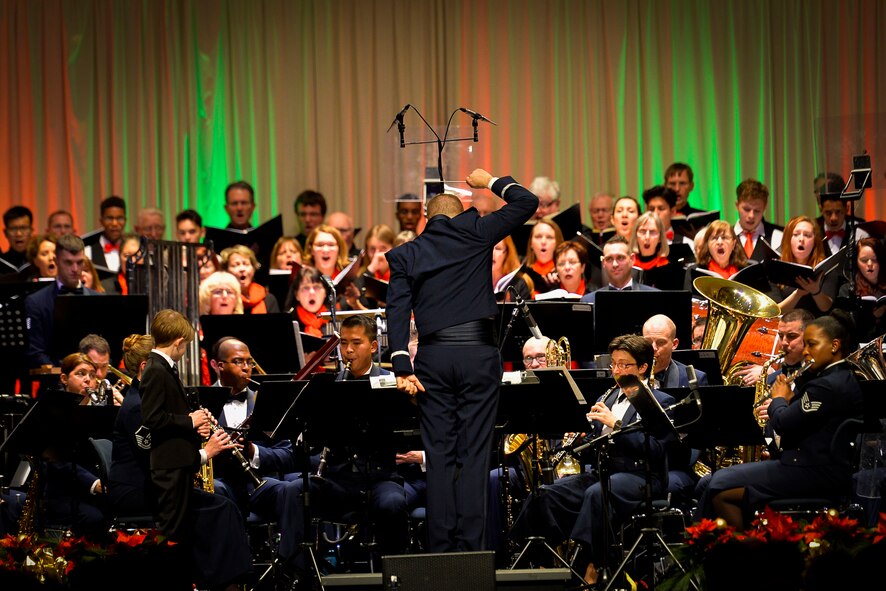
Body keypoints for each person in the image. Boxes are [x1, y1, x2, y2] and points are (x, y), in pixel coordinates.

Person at [386, 168, 537, 552]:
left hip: (433, 359)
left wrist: (402, 365)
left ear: (427, 216)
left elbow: (397, 311)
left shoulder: (406, 254)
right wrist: (490, 181)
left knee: (440, 456)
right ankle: (472, 550)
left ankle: (441, 551)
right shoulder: (477, 232)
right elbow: (527, 202)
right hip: (477, 356)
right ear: (459, 215)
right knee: (473, 454)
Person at [511, 334, 675, 585]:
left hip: (642, 476)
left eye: (624, 365)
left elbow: (656, 449)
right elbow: (592, 447)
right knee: (544, 494)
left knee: (596, 494)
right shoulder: (606, 397)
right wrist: (578, 441)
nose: (616, 371)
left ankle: (592, 567)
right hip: (604, 472)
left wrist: (616, 425)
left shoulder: (660, 401)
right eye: (614, 364)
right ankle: (543, 564)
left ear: (643, 367)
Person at [112, 331, 253, 589]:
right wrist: (205, 452)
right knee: (219, 511)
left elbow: (170, 443)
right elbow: (156, 459)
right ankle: (220, 583)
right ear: (145, 368)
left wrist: (195, 431)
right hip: (139, 489)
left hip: (161, 486)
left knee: (223, 506)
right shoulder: (136, 407)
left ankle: (223, 582)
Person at [704, 311, 863, 528]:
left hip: (812, 471)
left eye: (811, 345)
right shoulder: (836, 377)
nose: (805, 352)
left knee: (719, 483)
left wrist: (779, 399)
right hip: (811, 466)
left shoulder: (826, 385)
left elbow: (783, 423)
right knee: (716, 481)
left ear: (834, 346)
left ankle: (733, 546)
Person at [25, 234, 101, 368]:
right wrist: (64, 373)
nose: (75, 269)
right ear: (56, 261)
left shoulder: (98, 299)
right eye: (68, 262)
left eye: (79, 262)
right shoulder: (36, 302)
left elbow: (105, 348)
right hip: (53, 377)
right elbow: (36, 352)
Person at [732, 309, 814, 386]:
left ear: (808, 337)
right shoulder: (778, 374)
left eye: (792, 336)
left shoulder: (816, 377)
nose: (784, 342)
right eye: (781, 336)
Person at [774, 215, 835, 315]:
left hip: (816, 323)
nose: (801, 239)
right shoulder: (775, 268)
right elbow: (776, 311)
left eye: (807, 235)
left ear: (815, 242)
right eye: (796, 234)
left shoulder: (825, 269)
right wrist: (798, 294)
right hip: (785, 323)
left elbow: (827, 307)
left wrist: (815, 291)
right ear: (788, 239)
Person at [835, 237, 886, 342]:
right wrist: (872, 317)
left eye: (875, 259)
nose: (870, 264)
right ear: (856, 263)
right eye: (864, 260)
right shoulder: (848, 290)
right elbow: (844, 331)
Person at [581, 236, 657, 304]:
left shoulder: (654, 297)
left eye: (620, 258)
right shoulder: (589, 301)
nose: (615, 264)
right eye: (609, 259)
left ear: (632, 259)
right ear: (603, 263)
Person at [642, 314, 708, 388]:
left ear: (674, 344)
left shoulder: (696, 379)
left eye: (661, 342)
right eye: (648, 342)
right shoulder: (632, 374)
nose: (653, 348)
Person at [814, 172, 868, 256]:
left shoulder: (859, 230)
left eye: (838, 212)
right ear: (821, 209)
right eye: (828, 213)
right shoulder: (813, 230)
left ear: (847, 208)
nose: (833, 218)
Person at [733, 179, 783, 261]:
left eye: (757, 211)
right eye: (746, 209)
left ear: (764, 208)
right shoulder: (725, 236)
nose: (751, 216)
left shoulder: (779, 236)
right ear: (737, 205)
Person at [220, 244, 279, 314]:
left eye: (246, 264)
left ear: (253, 269)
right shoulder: (222, 300)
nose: (242, 269)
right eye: (235, 265)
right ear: (226, 271)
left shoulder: (268, 299)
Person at [285, 266, 330, 337]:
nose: (312, 292)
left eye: (317, 287)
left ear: (325, 293)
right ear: (297, 295)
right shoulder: (288, 323)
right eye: (306, 288)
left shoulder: (335, 319)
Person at [84, 196, 127, 272]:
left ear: (125, 220)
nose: (114, 223)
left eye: (119, 218)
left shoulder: (133, 250)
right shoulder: (88, 251)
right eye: (109, 218)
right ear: (101, 221)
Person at [524, 219, 564, 293]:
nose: (543, 242)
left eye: (549, 237)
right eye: (538, 237)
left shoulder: (566, 272)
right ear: (531, 244)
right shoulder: (522, 275)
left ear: (558, 243)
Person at [492, 236, 533, 301]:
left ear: (507, 253)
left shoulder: (519, 284)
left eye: (498, 249)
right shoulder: (475, 279)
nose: (492, 253)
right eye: (487, 248)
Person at [1, 205, 34, 273]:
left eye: (23, 228)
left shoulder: (39, 263)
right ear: (5, 233)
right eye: (13, 228)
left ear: (31, 231)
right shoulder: (1, 262)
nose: (19, 234)